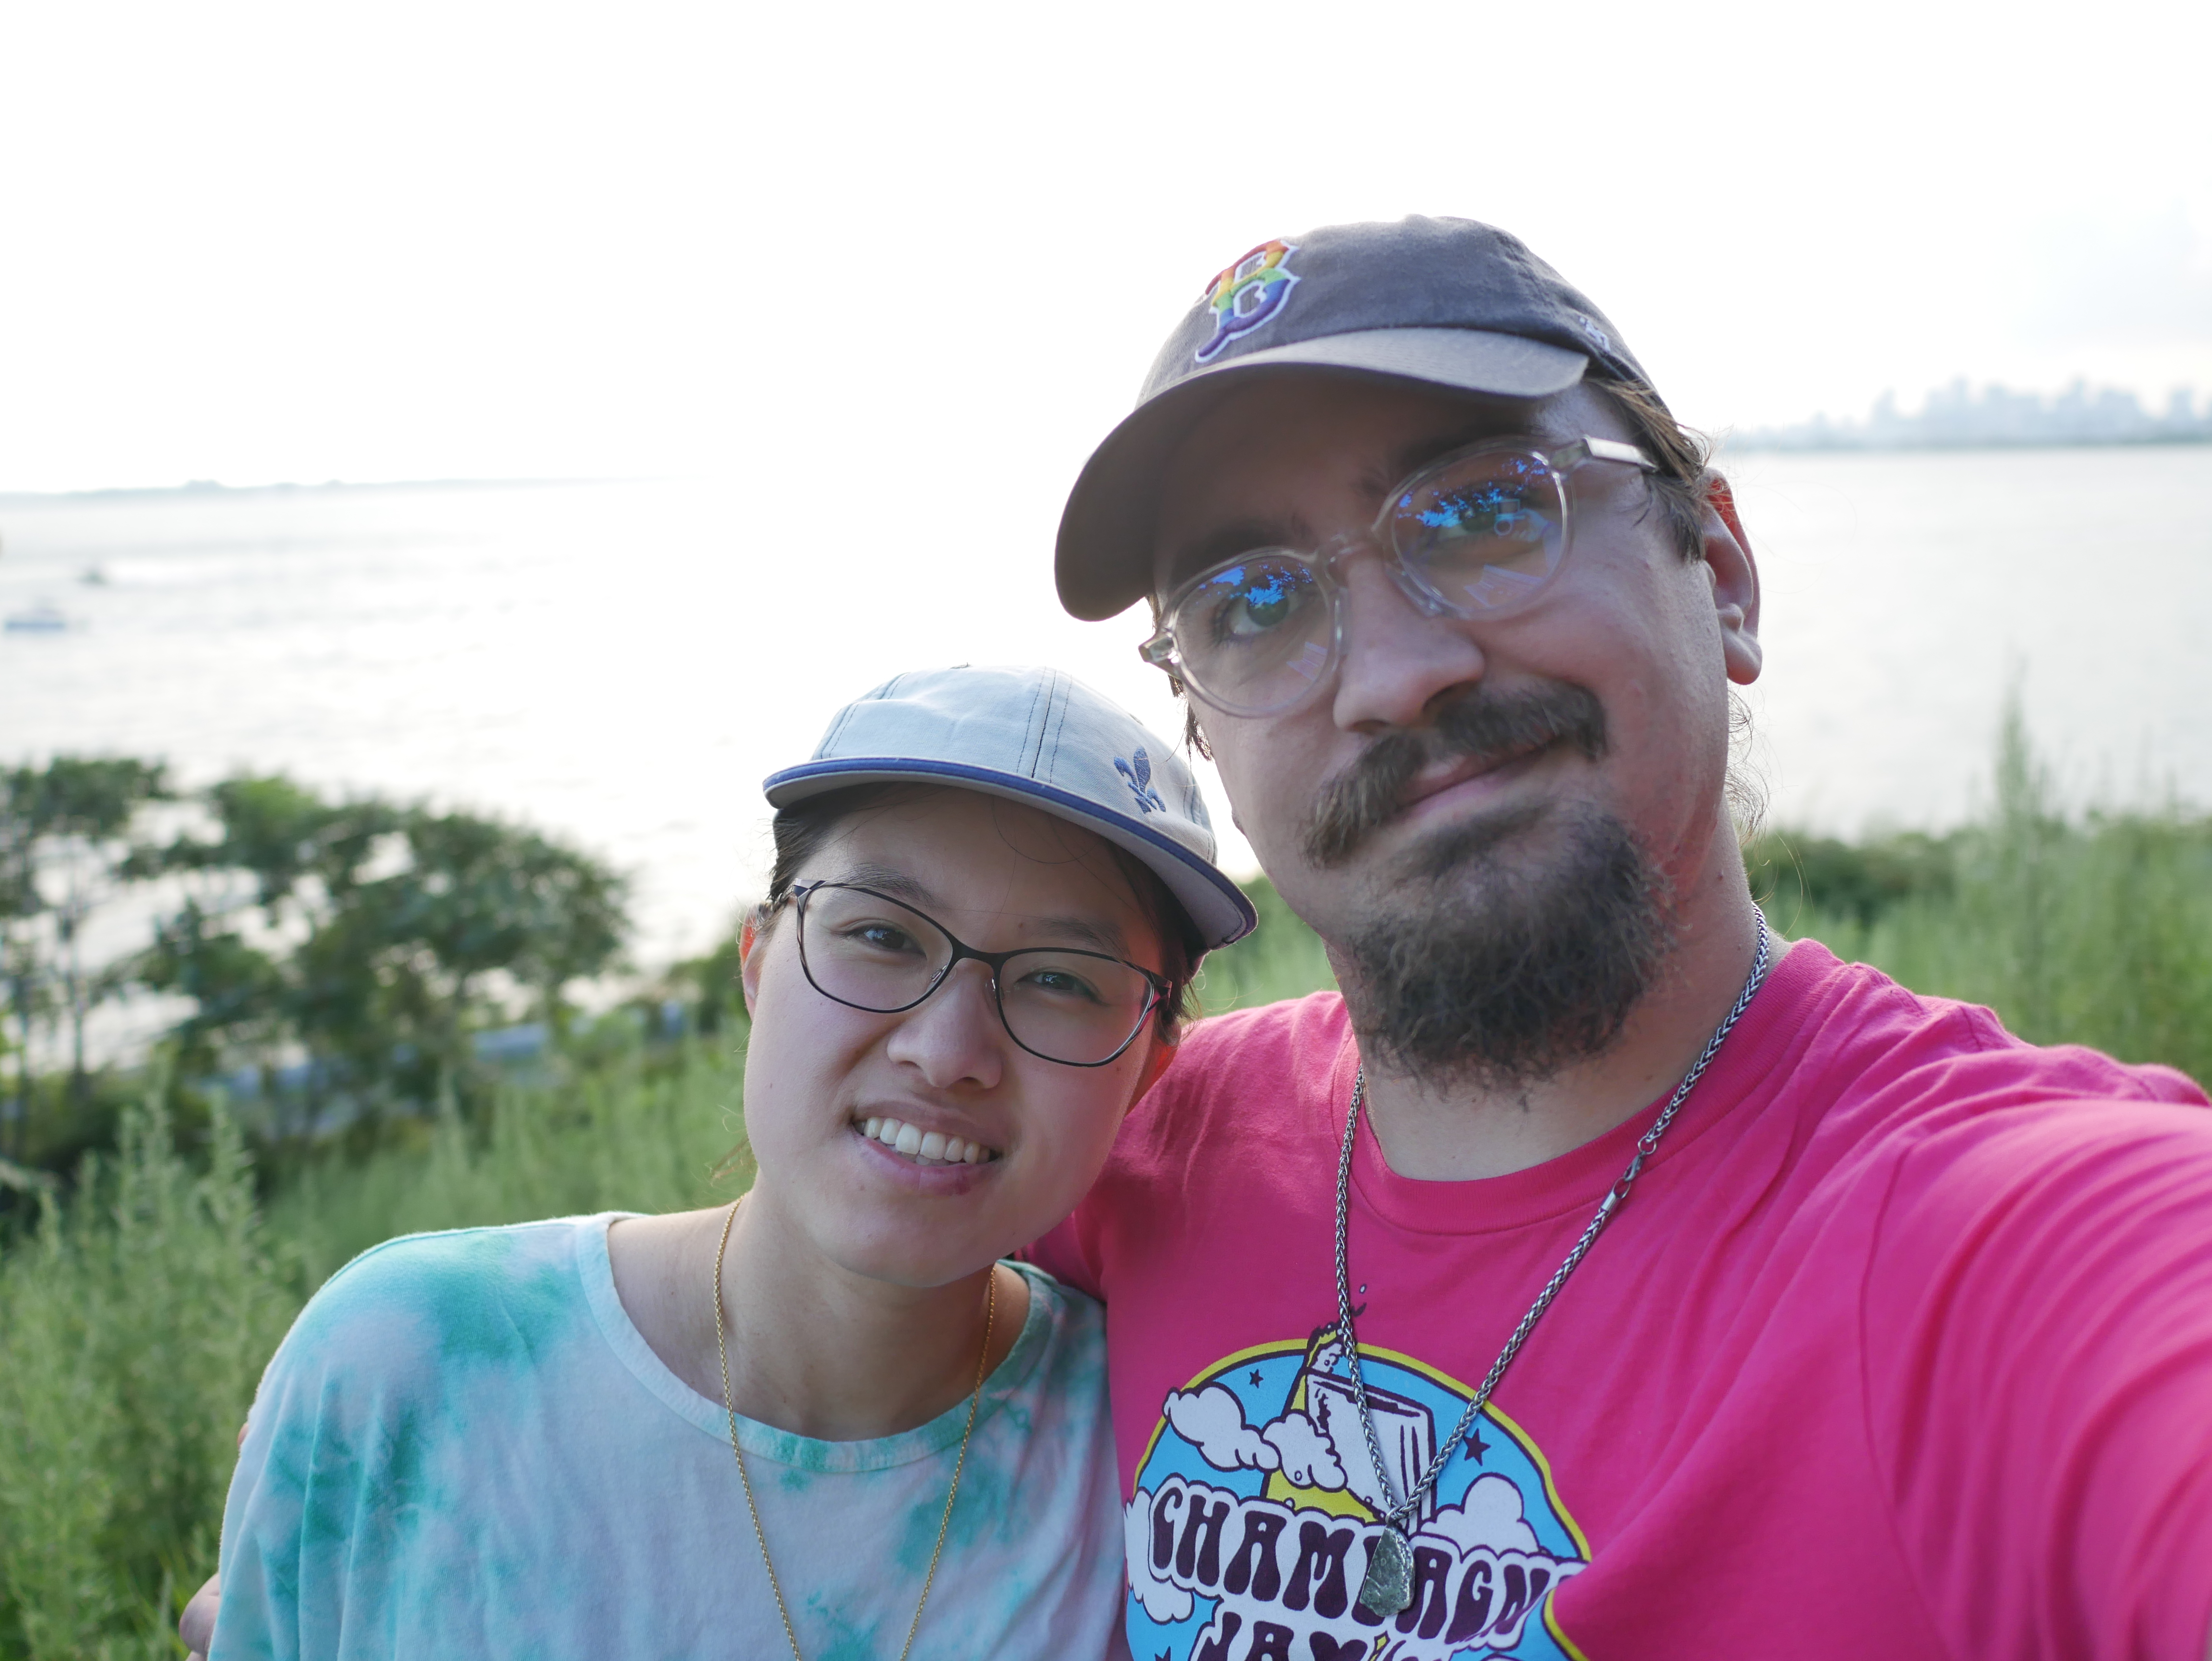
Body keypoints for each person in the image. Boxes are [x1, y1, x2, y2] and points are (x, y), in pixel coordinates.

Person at [1032, 217, 2212, 1660]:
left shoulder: (2000, 1249)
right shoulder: (1124, 1153)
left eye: (1478, 511)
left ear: (1719, 568)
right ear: (1204, 730)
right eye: (1253, 604)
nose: (1397, 677)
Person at [189, 664, 1255, 1661]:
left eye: (1061, 980)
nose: (945, 1051)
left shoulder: (1160, 1452)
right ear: (757, 964)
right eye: (881, 935)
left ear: (1151, 1063)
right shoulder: (412, 1362)